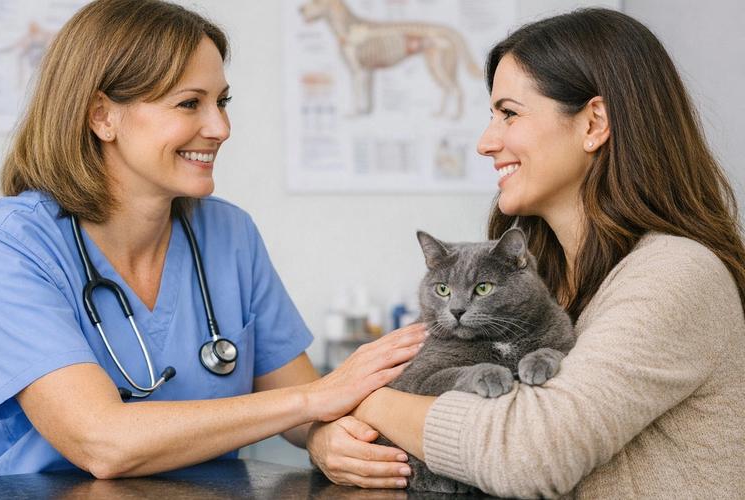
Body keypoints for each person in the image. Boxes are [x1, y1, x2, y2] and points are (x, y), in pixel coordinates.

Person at [0, 0, 424, 484]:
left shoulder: (229, 235)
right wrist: (312, 402)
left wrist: (323, 435)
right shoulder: (8, 247)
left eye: (221, 102)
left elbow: (313, 409)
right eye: (189, 103)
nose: (220, 128)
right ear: (102, 117)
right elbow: (101, 441)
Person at [317, 8, 745, 498]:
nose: (485, 142)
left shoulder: (677, 273)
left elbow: (527, 455)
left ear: (594, 122)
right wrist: (327, 435)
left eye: (509, 113)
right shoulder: (553, 279)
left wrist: (361, 400)